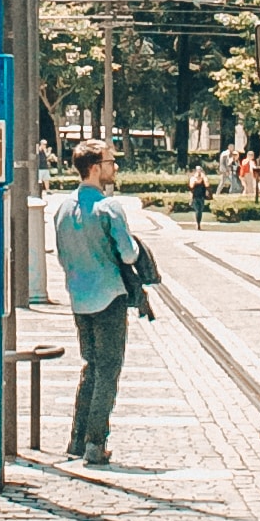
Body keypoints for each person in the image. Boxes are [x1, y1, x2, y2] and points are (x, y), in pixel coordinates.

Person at [49, 140, 148, 468]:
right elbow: (128, 253)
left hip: (79, 298)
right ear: (95, 167)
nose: (114, 166)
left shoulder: (63, 208)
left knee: (90, 366)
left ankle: (76, 440)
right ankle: (95, 441)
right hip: (109, 297)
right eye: (110, 161)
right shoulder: (109, 208)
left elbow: (62, 255)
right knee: (108, 369)